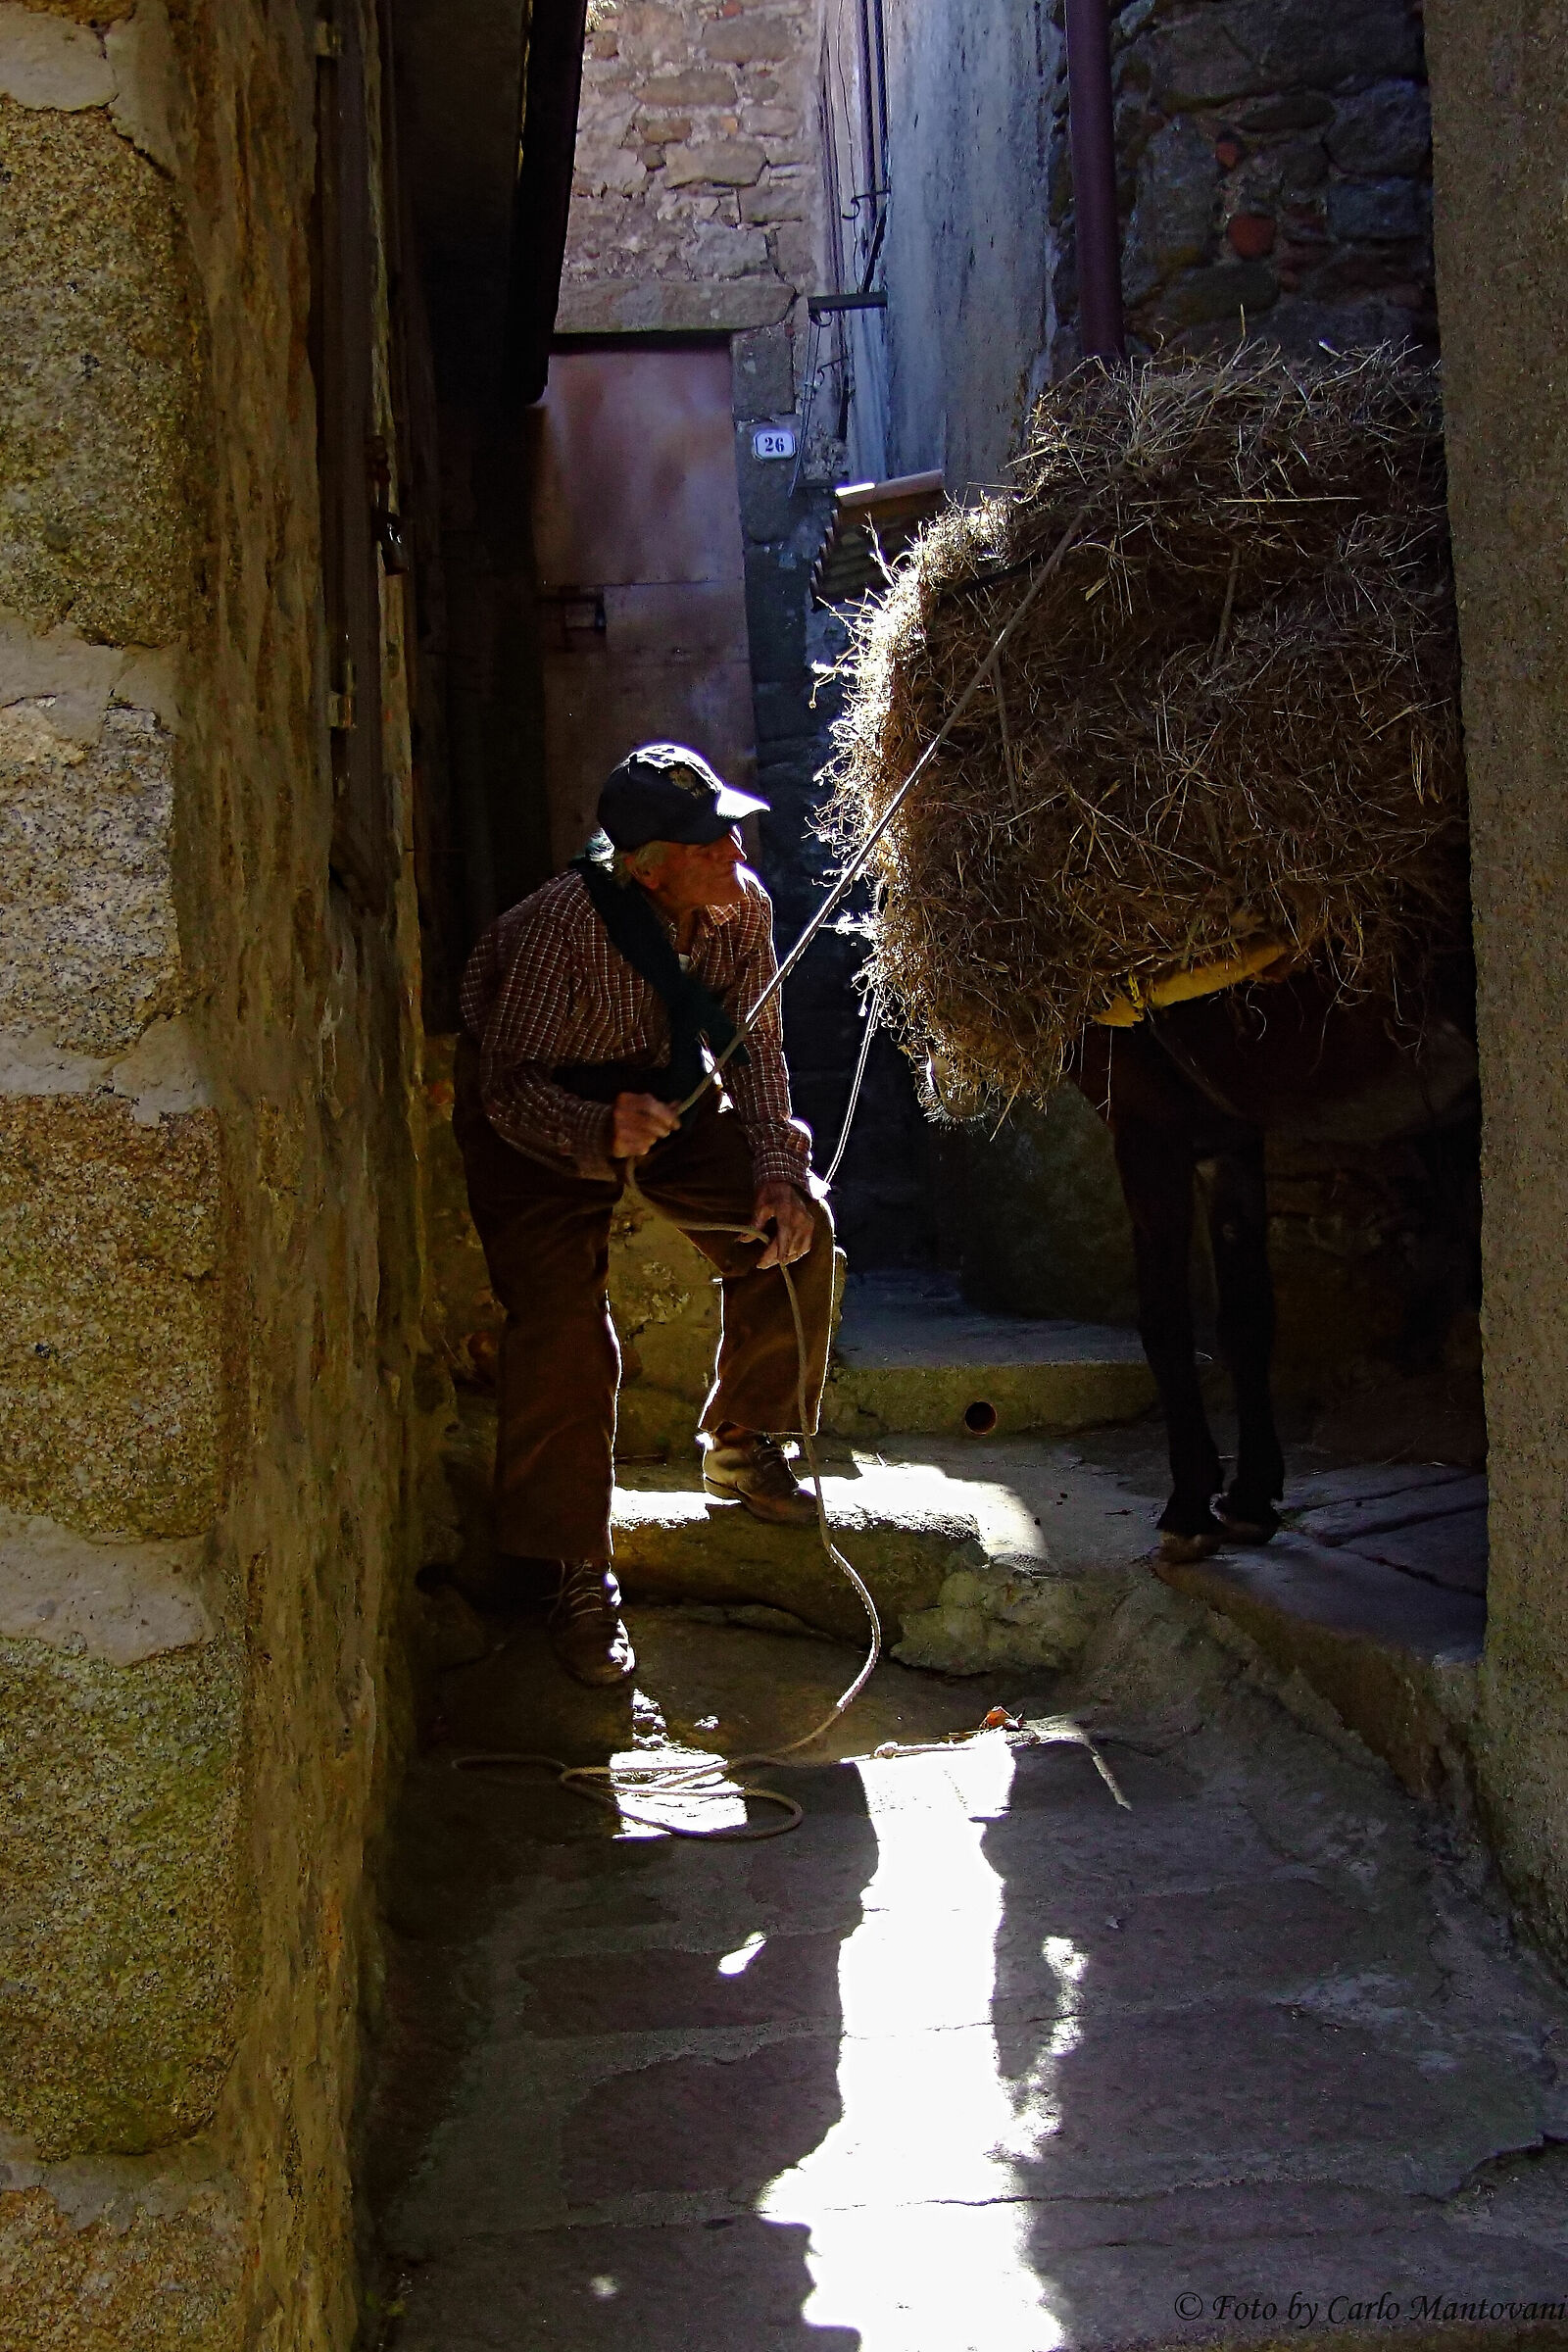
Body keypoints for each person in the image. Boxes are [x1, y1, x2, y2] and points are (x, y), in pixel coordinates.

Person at [454, 742, 836, 1688]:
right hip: (542, 1108)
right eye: (712, 843)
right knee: (561, 1329)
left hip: (665, 1087)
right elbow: (508, 1088)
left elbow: (758, 1051)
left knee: (793, 1232)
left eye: (732, 830)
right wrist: (598, 1127)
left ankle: (745, 1444)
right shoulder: (558, 930)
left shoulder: (740, 908)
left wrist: (779, 1171)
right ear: (650, 865)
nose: (737, 854)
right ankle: (574, 1569)